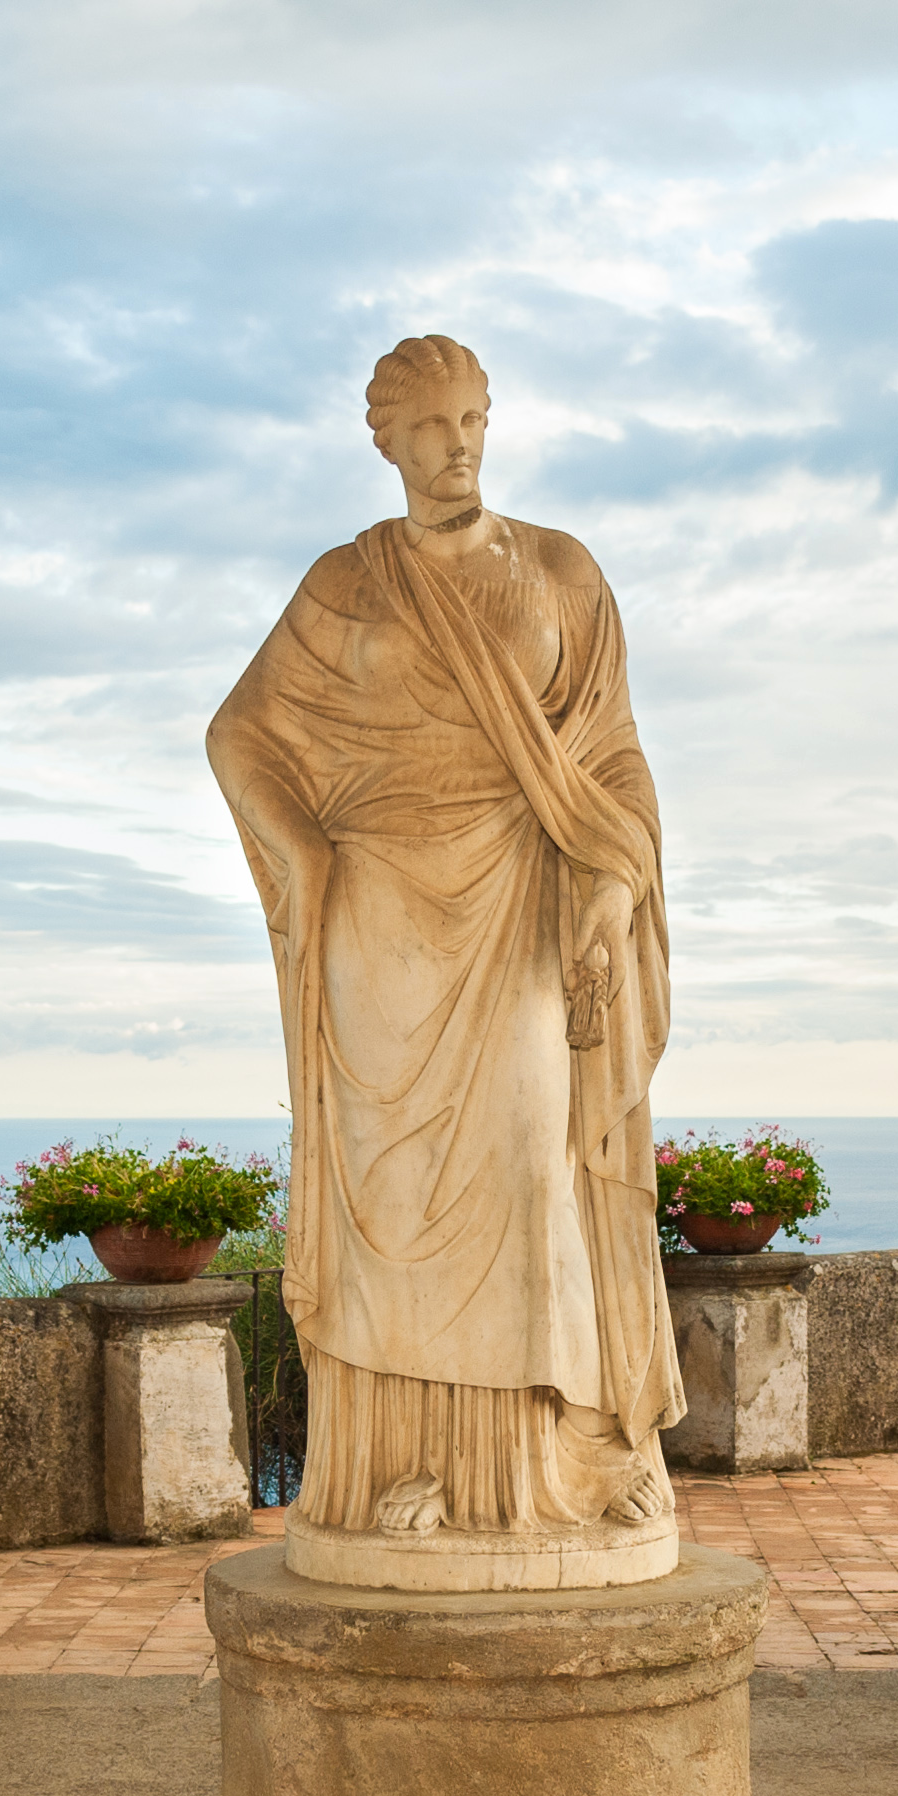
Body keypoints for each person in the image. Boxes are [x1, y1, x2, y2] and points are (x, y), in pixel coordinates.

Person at [206, 335, 682, 1589]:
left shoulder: (563, 574)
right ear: (384, 441)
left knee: (533, 1176)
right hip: (378, 926)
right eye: (428, 426)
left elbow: (616, 761)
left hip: (520, 908)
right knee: (394, 1210)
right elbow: (241, 735)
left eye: (471, 417)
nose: (457, 443)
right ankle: (393, 1470)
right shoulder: (343, 586)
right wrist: (305, 858)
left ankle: (536, 1476)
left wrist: (611, 884)